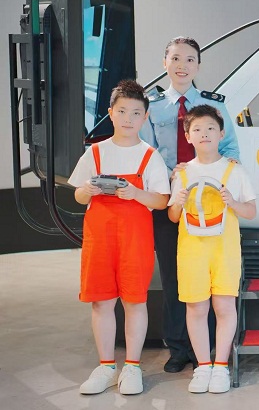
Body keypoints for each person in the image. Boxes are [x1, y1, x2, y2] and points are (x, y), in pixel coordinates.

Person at [139, 36, 241, 373]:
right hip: (171, 202)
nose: (182, 66)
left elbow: (231, 151)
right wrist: (174, 178)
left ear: (198, 65)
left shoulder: (213, 106)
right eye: (175, 59)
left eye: (190, 60)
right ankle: (178, 348)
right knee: (174, 279)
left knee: (211, 282)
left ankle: (207, 350)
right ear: (165, 63)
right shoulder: (153, 105)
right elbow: (149, 154)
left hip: (209, 205)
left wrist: (208, 178)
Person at [68, 80, 170, 395]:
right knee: (101, 302)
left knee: (135, 301)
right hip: (99, 240)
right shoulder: (95, 152)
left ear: (145, 117)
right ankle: (106, 366)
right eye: (122, 111)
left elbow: (161, 201)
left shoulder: (150, 156)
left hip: (135, 240)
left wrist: (136, 193)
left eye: (136, 113)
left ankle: (133, 367)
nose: (128, 118)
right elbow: (78, 196)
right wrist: (88, 189)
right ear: (111, 112)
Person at [168, 104, 256, 393]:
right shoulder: (182, 173)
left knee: (224, 306)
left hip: (224, 250)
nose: (204, 133)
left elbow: (251, 211)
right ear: (188, 136)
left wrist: (233, 202)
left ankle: (220, 367)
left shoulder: (235, 170)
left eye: (210, 128)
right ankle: (202, 367)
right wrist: (178, 202)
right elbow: (172, 216)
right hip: (192, 250)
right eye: (197, 129)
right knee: (195, 307)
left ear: (221, 133)